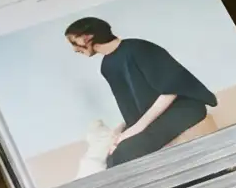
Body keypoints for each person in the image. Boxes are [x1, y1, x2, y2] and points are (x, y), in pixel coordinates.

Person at [63, 16, 218, 167]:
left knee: (125, 152)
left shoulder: (139, 48)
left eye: (74, 42)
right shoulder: (107, 66)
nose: (74, 49)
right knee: (111, 157)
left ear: (88, 37)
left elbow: (170, 90)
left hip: (182, 108)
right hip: (155, 116)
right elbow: (130, 105)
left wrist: (136, 129)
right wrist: (123, 132)